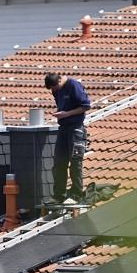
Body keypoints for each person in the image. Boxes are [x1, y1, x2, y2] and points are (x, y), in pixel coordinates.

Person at [45, 72, 91, 204]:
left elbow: (85, 106)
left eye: (55, 88)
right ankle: (59, 195)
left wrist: (67, 114)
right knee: (59, 163)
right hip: (63, 128)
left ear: (59, 81)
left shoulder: (73, 86)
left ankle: (76, 194)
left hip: (75, 128)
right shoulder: (56, 90)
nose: (54, 91)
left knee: (75, 163)